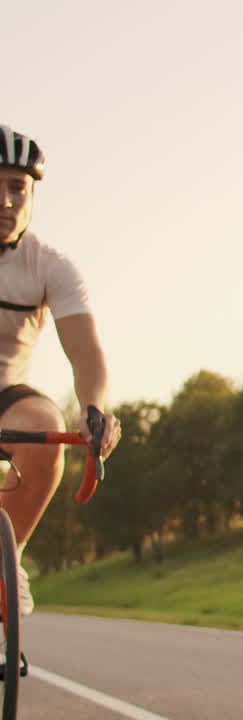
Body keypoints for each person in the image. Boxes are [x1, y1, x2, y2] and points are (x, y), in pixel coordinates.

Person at [0, 125, 121, 621]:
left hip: (6, 396)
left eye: (17, 188)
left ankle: (7, 560)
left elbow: (85, 352)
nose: (5, 200)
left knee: (46, 424)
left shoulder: (50, 266)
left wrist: (94, 412)